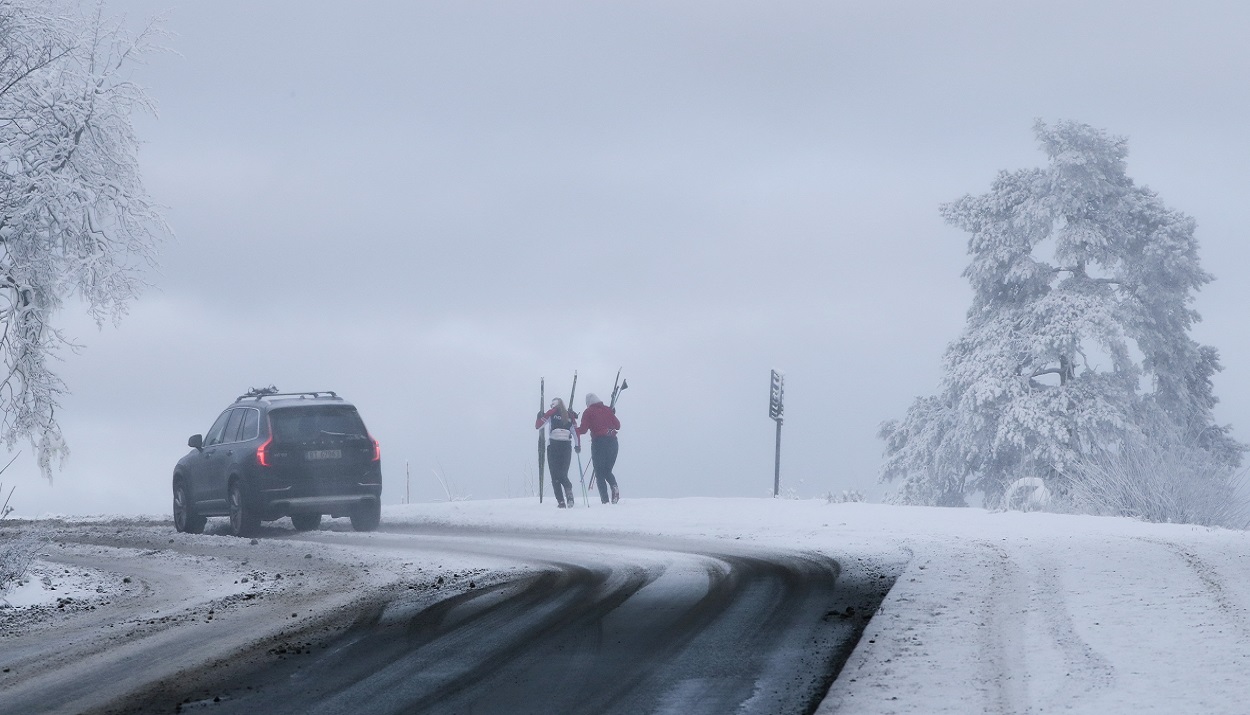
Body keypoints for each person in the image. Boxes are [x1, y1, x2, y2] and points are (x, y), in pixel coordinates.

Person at [576, 393, 620, 504]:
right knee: (607, 471)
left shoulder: (588, 412)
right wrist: (611, 415)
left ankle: (604, 500)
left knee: (599, 472)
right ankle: (614, 487)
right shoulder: (607, 410)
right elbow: (618, 425)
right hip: (613, 442)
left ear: (588, 403)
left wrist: (573, 429)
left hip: (599, 443)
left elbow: (583, 430)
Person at [536, 397, 580, 508]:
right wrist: (577, 445)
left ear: (553, 405)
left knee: (554, 474)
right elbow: (575, 431)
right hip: (566, 446)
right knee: (562, 473)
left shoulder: (552, 413)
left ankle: (561, 501)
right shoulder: (570, 415)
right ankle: (568, 494)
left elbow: (538, 426)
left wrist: (539, 416)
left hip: (553, 446)